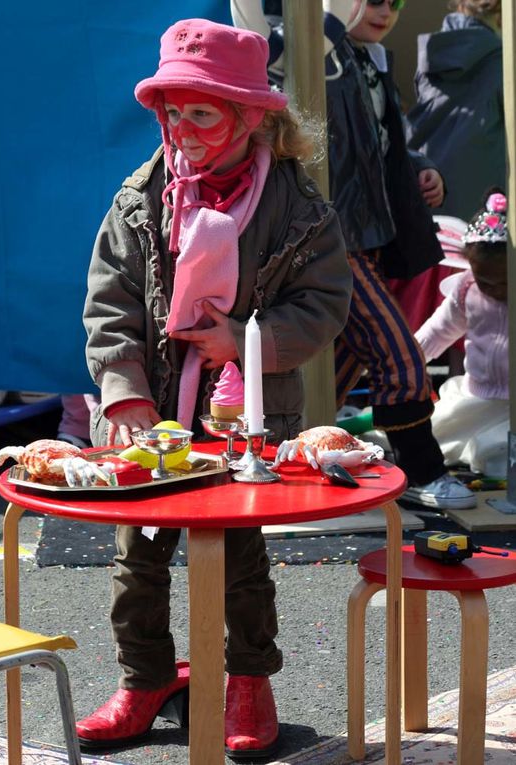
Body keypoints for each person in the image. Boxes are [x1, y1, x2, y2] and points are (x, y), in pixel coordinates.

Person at [78, 17, 352, 760]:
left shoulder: (296, 208)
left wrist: (244, 342)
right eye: (172, 111)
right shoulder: (142, 197)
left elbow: (325, 301)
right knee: (137, 548)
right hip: (155, 411)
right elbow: (111, 303)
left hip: (245, 414)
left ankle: (248, 680)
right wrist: (124, 391)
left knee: (238, 553)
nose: (184, 128)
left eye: (202, 112)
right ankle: (146, 675)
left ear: (250, 116)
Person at [232, 0, 477, 510]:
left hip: (364, 232)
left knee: (338, 365)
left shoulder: (365, 58)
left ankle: (297, 457)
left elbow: (375, 141)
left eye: (394, 1)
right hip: (327, 234)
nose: (384, 10)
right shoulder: (295, 42)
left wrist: (419, 166)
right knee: (397, 354)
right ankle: (422, 470)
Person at [415, 189, 509, 479]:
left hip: (511, 408)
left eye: (504, 281)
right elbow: (437, 331)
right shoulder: (468, 289)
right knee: (438, 435)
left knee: (495, 452)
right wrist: (409, 360)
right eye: (485, 281)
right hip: (475, 397)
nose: (494, 289)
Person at [405, 0, 504, 222]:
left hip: (427, 186)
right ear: (500, 15)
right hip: (481, 204)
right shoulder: (501, 61)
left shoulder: (434, 51)